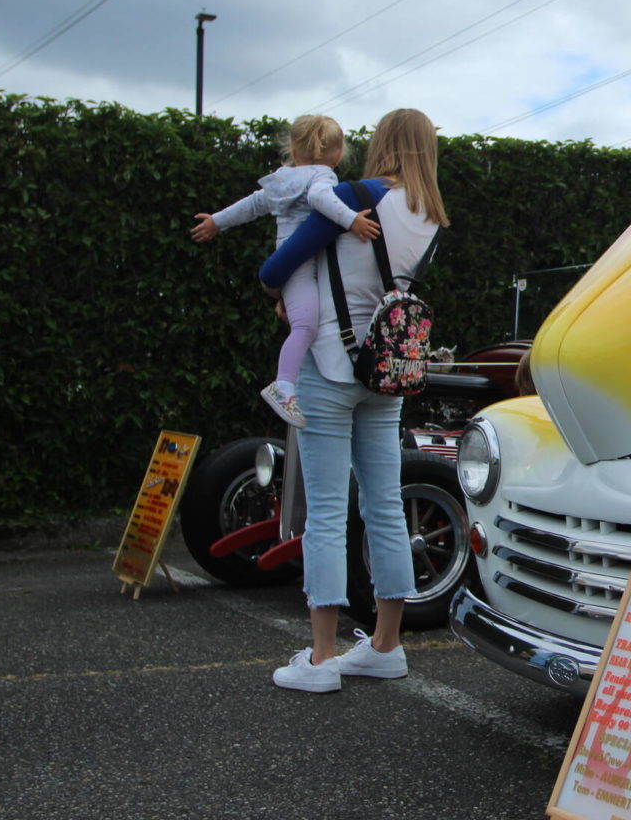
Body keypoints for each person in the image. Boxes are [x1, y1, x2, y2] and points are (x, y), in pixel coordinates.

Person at [256, 108, 449, 693]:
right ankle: (386, 646)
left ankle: (319, 659)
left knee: (326, 513)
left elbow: (276, 267)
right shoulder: (431, 216)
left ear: (382, 144)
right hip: (387, 371)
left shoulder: (352, 196)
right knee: (385, 506)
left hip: (328, 367)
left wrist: (280, 293)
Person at [190, 115, 381, 428]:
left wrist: (216, 221)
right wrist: (351, 220)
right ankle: (284, 386)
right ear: (337, 155)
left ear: (293, 149)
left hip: (291, 265)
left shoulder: (282, 179)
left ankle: (291, 383)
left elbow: (252, 205)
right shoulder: (322, 176)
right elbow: (321, 200)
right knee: (306, 325)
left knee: (304, 319)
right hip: (305, 263)